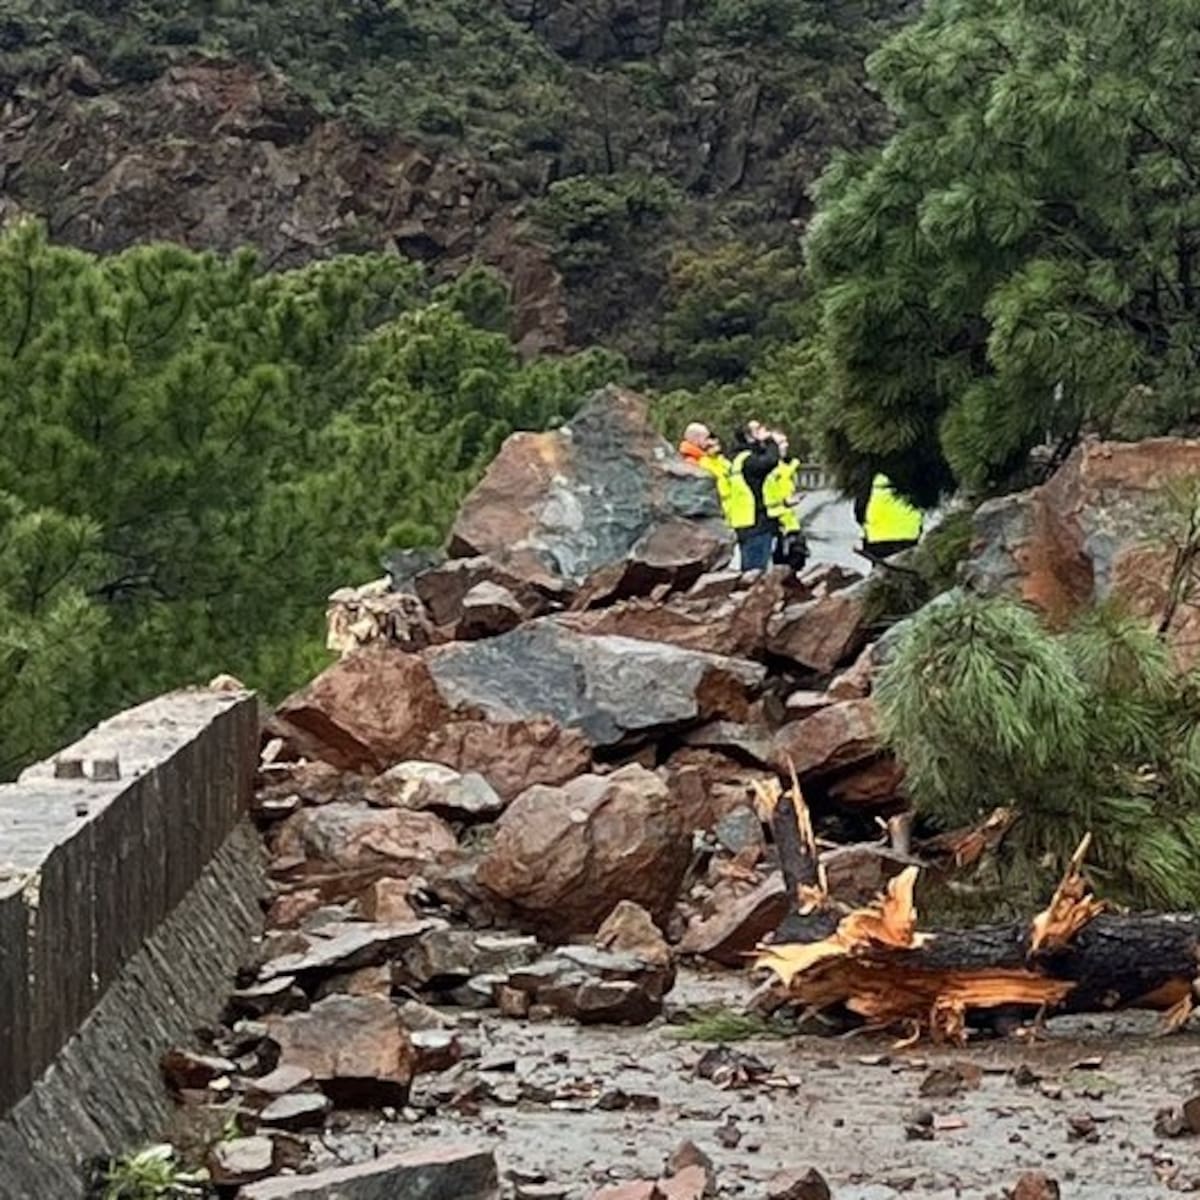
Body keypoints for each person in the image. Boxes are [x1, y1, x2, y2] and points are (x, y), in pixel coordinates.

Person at [726, 422, 781, 572]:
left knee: (751, 569)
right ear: (750, 437)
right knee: (755, 572)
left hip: (744, 521)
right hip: (756, 522)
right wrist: (770, 441)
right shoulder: (748, 460)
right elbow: (770, 461)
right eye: (759, 430)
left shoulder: (738, 459)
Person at [763, 433, 807, 571]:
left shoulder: (785, 467)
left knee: (796, 559)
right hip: (774, 521)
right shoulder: (765, 468)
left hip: (788, 522)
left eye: (786, 442)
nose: (786, 445)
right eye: (781, 443)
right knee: (777, 563)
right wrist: (784, 502)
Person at [856, 472, 923, 561]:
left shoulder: (873, 479)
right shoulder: (914, 477)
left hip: (876, 541)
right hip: (909, 539)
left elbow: (859, 510)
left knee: (880, 570)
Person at [679, 421, 733, 521]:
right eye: (706, 438)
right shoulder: (692, 462)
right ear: (696, 440)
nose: (709, 442)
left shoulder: (703, 457)